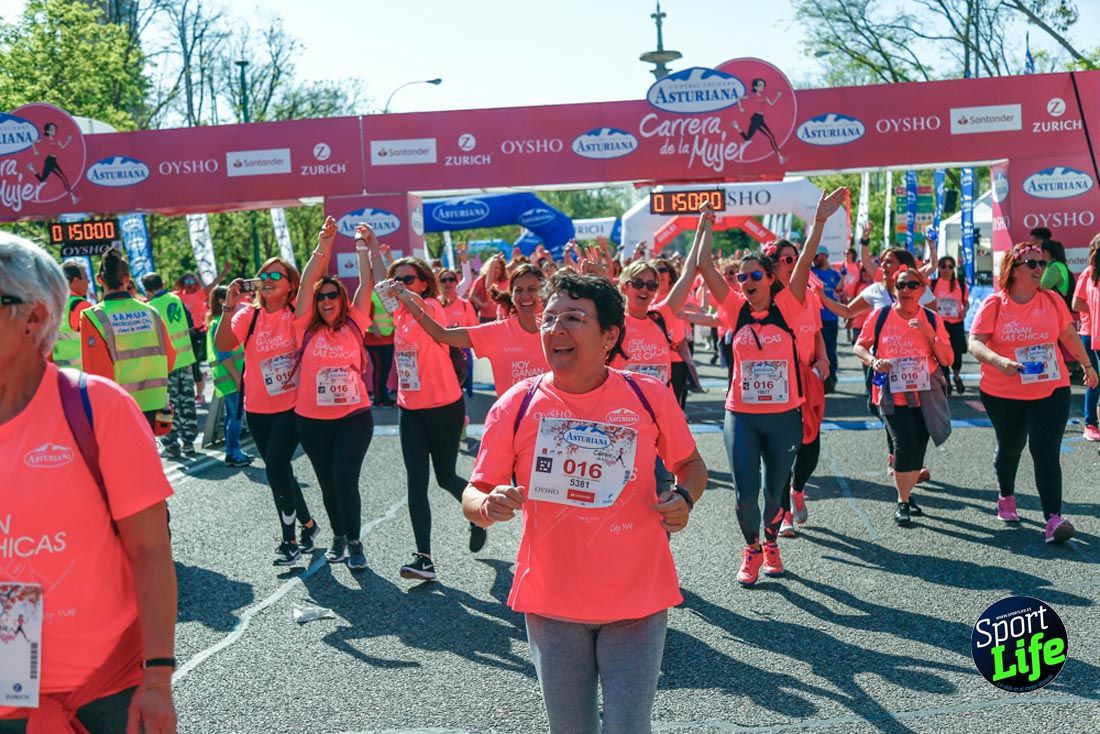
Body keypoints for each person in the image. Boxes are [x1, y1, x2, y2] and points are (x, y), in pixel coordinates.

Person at [461, 271, 706, 734]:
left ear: (609, 335)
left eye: (573, 318)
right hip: (553, 603)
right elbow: (473, 493)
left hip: (637, 599)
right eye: (549, 318)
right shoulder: (515, 405)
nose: (556, 329)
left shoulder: (647, 395)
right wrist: (487, 504)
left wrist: (684, 498)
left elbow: (691, 464)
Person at [0, 234, 176, 734]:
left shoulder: (97, 406)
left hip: (111, 681)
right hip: (11, 680)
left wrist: (158, 682)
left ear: (33, 318)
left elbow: (150, 551)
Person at [698, 188, 847, 586]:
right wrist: (706, 222)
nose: (746, 280)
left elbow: (805, 256)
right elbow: (702, 265)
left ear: (769, 279)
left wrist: (818, 219)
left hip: (784, 415)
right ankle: (751, 549)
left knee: (774, 491)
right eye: (742, 276)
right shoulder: (734, 309)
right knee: (745, 495)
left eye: (755, 275)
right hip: (742, 415)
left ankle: (771, 542)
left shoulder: (792, 303)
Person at [968, 242, 1098, 543]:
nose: (1040, 269)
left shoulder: (1052, 300)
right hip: (1003, 391)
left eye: (1041, 264)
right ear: (1014, 268)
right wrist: (999, 361)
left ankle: (1053, 519)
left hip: (1050, 389)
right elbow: (975, 342)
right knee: (1011, 445)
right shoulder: (995, 304)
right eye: (1032, 264)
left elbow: (1067, 334)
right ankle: (1007, 495)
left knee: (1045, 451)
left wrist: (1088, 365)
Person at [379, 258, 485, 581]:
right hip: (409, 409)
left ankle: (478, 514)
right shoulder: (398, 314)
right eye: (396, 280)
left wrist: (404, 293)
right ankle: (423, 557)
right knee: (416, 481)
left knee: (445, 477)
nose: (400, 285)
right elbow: (377, 284)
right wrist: (370, 247)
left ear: (424, 283)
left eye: (408, 279)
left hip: (444, 407)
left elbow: (424, 316)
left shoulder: (433, 308)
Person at [216, 257, 319, 566]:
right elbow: (223, 344)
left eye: (277, 274)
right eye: (263, 274)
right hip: (258, 408)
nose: (269, 278)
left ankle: (289, 541)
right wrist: (229, 305)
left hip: (292, 405)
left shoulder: (296, 314)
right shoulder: (249, 314)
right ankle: (309, 525)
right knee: (280, 469)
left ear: (290, 285)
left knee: (275, 465)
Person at [289, 219, 379, 571]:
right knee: (327, 483)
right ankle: (339, 536)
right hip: (311, 421)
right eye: (321, 296)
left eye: (332, 295)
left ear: (342, 300)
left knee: (345, 478)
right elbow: (309, 279)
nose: (325, 299)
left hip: (354, 418)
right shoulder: (303, 328)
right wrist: (324, 242)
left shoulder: (355, 322)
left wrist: (361, 246)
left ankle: (355, 542)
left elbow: (367, 282)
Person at [819, 247, 936, 480]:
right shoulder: (874, 291)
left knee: (916, 414)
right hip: (881, 364)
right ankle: (898, 458)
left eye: (888, 261)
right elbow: (845, 311)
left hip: (915, 365)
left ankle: (911, 464)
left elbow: (934, 324)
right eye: (881, 261)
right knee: (888, 410)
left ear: (903, 266)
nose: (883, 265)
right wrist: (822, 296)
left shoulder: (920, 290)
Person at [854, 267, 954, 525]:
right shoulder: (881, 316)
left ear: (922, 289)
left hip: (925, 395)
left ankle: (907, 496)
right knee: (904, 444)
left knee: (918, 449)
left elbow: (947, 359)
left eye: (912, 285)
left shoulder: (931, 319)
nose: (906, 290)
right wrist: (873, 360)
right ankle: (902, 502)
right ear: (895, 289)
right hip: (891, 394)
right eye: (901, 286)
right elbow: (860, 346)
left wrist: (927, 332)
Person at [762, 239, 831, 537]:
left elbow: (815, 331)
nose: (797, 264)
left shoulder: (811, 295)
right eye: (790, 259)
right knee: (781, 449)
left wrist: (824, 359)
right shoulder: (766, 297)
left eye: (799, 259)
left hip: (809, 376)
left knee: (811, 446)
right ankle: (784, 513)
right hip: (779, 380)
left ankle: (798, 488)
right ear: (774, 264)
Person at [411, 264, 548, 397]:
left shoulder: (556, 331)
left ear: (544, 292)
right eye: (518, 290)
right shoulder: (497, 332)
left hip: (550, 417)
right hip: (511, 418)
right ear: (511, 294)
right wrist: (408, 301)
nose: (525, 296)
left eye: (532, 289)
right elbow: (441, 334)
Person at [80, 250, 175, 430]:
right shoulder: (151, 312)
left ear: (100, 280)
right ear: (127, 278)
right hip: (155, 404)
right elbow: (169, 360)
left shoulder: (93, 317)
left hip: (119, 407)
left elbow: (97, 374)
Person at [143, 273, 199, 457]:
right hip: (185, 361)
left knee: (167, 405)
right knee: (187, 402)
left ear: (147, 291)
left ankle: (172, 444)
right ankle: (189, 442)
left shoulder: (149, 308)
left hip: (166, 366)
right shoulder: (177, 299)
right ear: (163, 283)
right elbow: (191, 326)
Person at [206, 286, 252, 467]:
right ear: (221, 301)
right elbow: (224, 354)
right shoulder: (220, 323)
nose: (238, 299)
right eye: (232, 296)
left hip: (229, 378)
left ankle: (232, 450)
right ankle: (233, 452)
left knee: (231, 415)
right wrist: (237, 376)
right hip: (232, 377)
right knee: (237, 416)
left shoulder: (218, 322)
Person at [176, 265, 230, 405]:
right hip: (185, 334)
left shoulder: (200, 294)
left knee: (194, 364)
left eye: (192, 282)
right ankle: (201, 379)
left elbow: (213, 284)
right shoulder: (177, 296)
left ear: (196, 283)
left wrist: (223, 273)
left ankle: (199, 394)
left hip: (198, 333)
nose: (189, 285)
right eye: (186, 282)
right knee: (190, 365)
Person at [1071, 233, 1100, 442]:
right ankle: (1090, 423)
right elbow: (1076, 304)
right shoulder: (1089, 274)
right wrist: (1096, 308)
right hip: (1090, 333)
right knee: (1094, 379)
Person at [436, 265, 478, 398]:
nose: (447, 283)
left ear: (456, 282)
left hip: (461, 353)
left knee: (458, 389)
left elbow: (474, 329)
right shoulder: (432, 304)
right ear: (438, 283)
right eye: (443, 280)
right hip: (440, 352)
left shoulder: (465, 305)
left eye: (450, 279)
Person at [930, 256, 969, 394]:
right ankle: (946, 380)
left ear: (954, 269)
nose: (947, 270)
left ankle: (957, 377)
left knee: (957, 353)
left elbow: (966, 302)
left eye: (950, 267)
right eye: (943, 267)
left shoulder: (960, 284)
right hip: (941, 325)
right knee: (942, 353)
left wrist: (964, 311)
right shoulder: (933, 284)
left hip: (956, 324)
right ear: (939, 269)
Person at [811, 245, 842, 393]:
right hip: (815, 319)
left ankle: (831, 378)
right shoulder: (811, 272)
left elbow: (840, 291)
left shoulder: (834, 274)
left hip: (831, 318)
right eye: (814, 256)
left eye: (817, 256)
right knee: (816, 352)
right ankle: (819, 380)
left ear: (824, 256)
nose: (815, 259)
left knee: (831, 349)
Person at [51, 259, 92, 369]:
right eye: (86, 279)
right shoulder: (81, 306)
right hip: (82, 374)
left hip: (60, 373)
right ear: (75, 280)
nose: (88, 282)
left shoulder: (52, 304)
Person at [27, 122, 77, 204]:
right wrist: (35, 151)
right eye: (52, 129)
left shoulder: (56, 138)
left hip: (53, 160)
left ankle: (31, 168)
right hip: (49, 161)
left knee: (44, 179)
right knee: (62, 178)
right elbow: (33, 142)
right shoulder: (44, 138)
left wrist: (68, 140)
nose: (54, 131)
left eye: (54, 129)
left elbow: (63, 147)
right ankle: (72, 197)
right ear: (48, 131)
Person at [470, 253, 508, 323]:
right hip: (485, 316)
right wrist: (482, 304)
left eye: (500, 268)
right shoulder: (481, 279)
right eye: (495, 267)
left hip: (501, 316)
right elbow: (472, 296)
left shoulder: (504, 281)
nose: (497, 270)